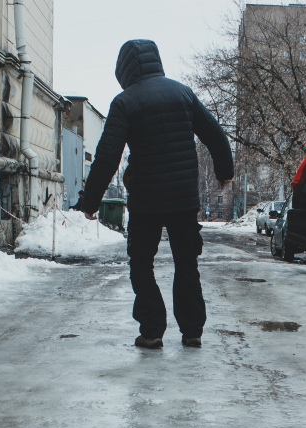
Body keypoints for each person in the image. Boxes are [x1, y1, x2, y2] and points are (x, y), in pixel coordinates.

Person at [81, 39, 234, 350]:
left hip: (146, 201)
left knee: (141, 263)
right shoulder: (183, 93)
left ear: (124, 70)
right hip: (183, 198)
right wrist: (224, 172)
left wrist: (91, 200)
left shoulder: (125, 102)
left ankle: (152, 330)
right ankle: (192, 331)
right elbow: (215, 135)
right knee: (186, 263)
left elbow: (108, 155)